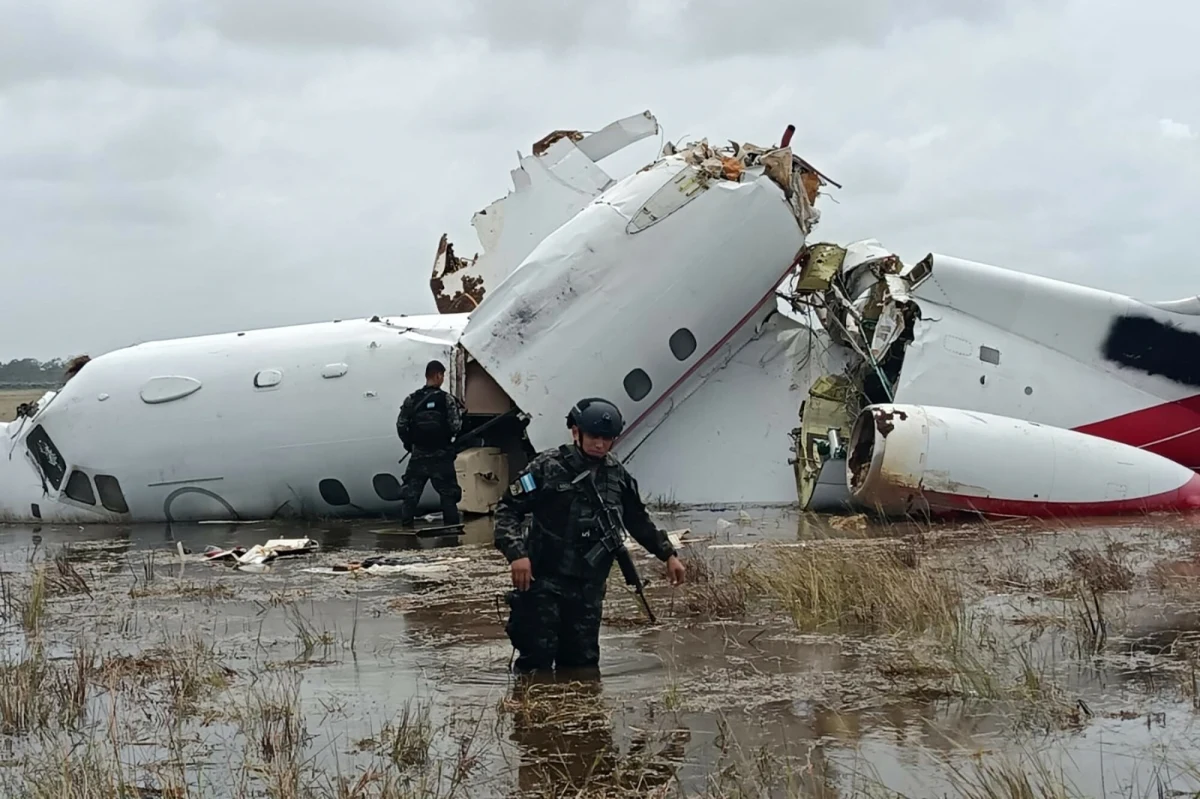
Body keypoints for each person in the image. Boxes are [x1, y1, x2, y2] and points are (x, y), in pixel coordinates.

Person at [493, 396, 687, 673]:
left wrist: (668, 555)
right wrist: (517, 555)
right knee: (536, 661)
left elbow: (638, 521)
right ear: (576, 432)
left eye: (607, 438)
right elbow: (507, 510)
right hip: (544, 581)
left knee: (582, 666)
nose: (600, 444)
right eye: (594, 436)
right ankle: (529, 702)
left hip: (588, 589)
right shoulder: (547, 466)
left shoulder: (617, 475)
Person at [395, 359, 464, 526]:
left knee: (410, 496)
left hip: (419, 455)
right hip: (441, 456)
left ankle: (405, 528)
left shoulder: (412, 399)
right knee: (448, 496)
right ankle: (452, 530)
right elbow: (455, 426)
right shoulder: (446, 399)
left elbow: (401, 425)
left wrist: (410, 444)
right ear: (438, 375)